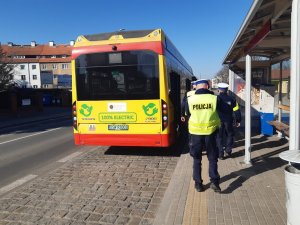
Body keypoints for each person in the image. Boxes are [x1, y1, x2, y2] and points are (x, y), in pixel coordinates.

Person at [185, 79, 231, 193]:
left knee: (196, 159)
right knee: (212, 158)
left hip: (195, 134)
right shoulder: (215, 98)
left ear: (197, 87)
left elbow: (187, 113)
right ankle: (215, 182)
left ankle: (198, 184)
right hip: (211, 133)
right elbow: (226, 110)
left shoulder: (190, 99)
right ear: (207, 86)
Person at [216, 83, 241, 160]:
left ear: (219, 90)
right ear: (227, 90)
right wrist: (238, 120)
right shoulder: (232, 99)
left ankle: (220, 154)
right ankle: (228, 151)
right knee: (229, 135)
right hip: (228, 120)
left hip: (218, 121)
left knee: (219, 137)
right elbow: (236, 110)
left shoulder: (216, 99)